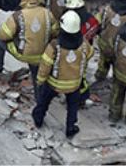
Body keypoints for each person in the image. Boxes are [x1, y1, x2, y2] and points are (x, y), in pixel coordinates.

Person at [32, 11, 93, 139]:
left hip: (54, 83)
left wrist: (40, 80)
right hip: (74, 84)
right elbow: (90, 53)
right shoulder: (83, 43)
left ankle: (38, 119)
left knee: (44, 101)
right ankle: (70, 128)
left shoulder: (54, 45)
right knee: (72, 107)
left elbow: (45, 65)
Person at [0, 0, 58, 80]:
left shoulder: (18, 15)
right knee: (35, 68)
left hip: (24, 54)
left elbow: (3, 36)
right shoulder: (47, 13)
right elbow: (55, 32)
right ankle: (37, 80)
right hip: (43, 53)